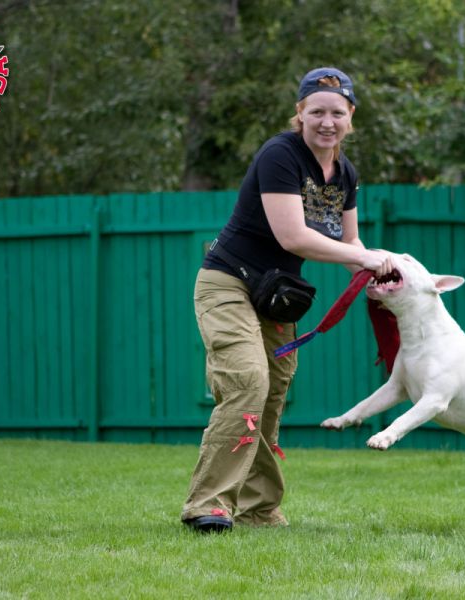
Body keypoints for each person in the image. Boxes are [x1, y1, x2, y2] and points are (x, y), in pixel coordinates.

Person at [181, 67, 394, 533]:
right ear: (300, 113)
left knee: (272, 395)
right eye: (316, 112)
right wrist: (365, 258)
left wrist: (380, 275)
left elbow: (350, 244)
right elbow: (293, 237)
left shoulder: (345, 174)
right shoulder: (281, 155)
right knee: (247, 381)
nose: (327, 122)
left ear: (351, 117)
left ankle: (259, 509)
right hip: (227, 282)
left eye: (337, 113)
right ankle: (207, 505)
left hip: (275, 298)